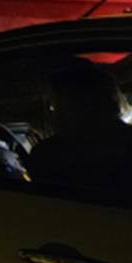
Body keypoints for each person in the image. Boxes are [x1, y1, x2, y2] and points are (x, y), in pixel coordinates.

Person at [27, 57, 132, 192]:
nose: (52, 113)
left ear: (72, 106)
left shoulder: (50, 154)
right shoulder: (125, 142)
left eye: (54, 105)